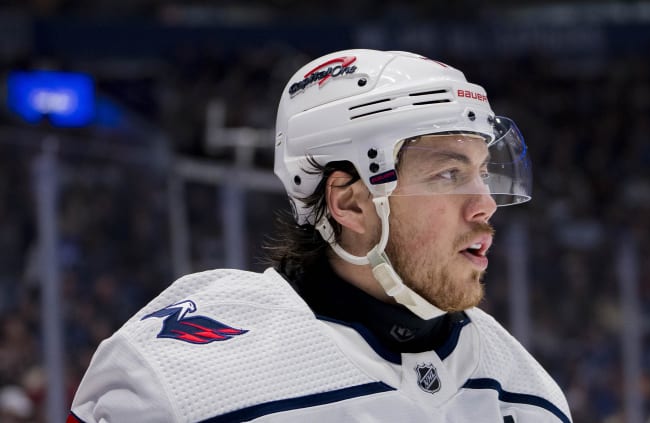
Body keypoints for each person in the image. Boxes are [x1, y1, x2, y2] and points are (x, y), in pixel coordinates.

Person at [68, 49, 572, 422]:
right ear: (350, 202)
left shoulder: (526, 392)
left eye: (483, 172)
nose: (484, 203)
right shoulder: (181, 377)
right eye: (448, 174)